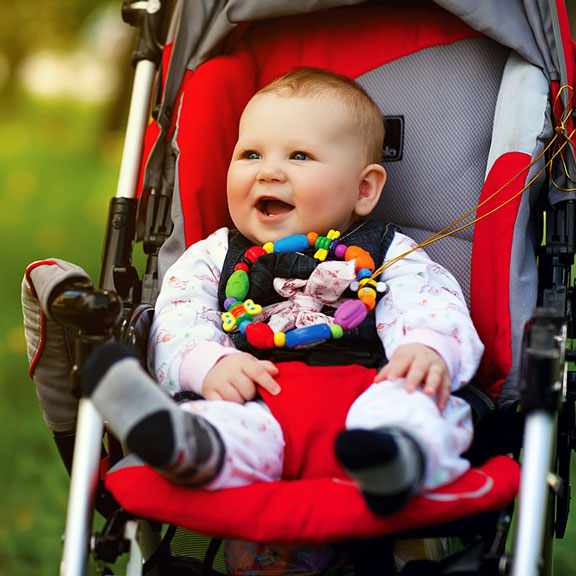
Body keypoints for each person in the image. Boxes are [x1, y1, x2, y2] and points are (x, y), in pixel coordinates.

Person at [84, 67, 484, 515]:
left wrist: (425, 347)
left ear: (364, 188)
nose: (268, 172)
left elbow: (430, 301)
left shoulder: (386, 251)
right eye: (251, 154)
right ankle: (188, 446)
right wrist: (208, 364)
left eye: (299, 156)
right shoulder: (214, 255)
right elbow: (177, 316)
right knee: (221, 422)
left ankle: (395, 459)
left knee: (417, 404)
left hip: (366, 393)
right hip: (254, 399)